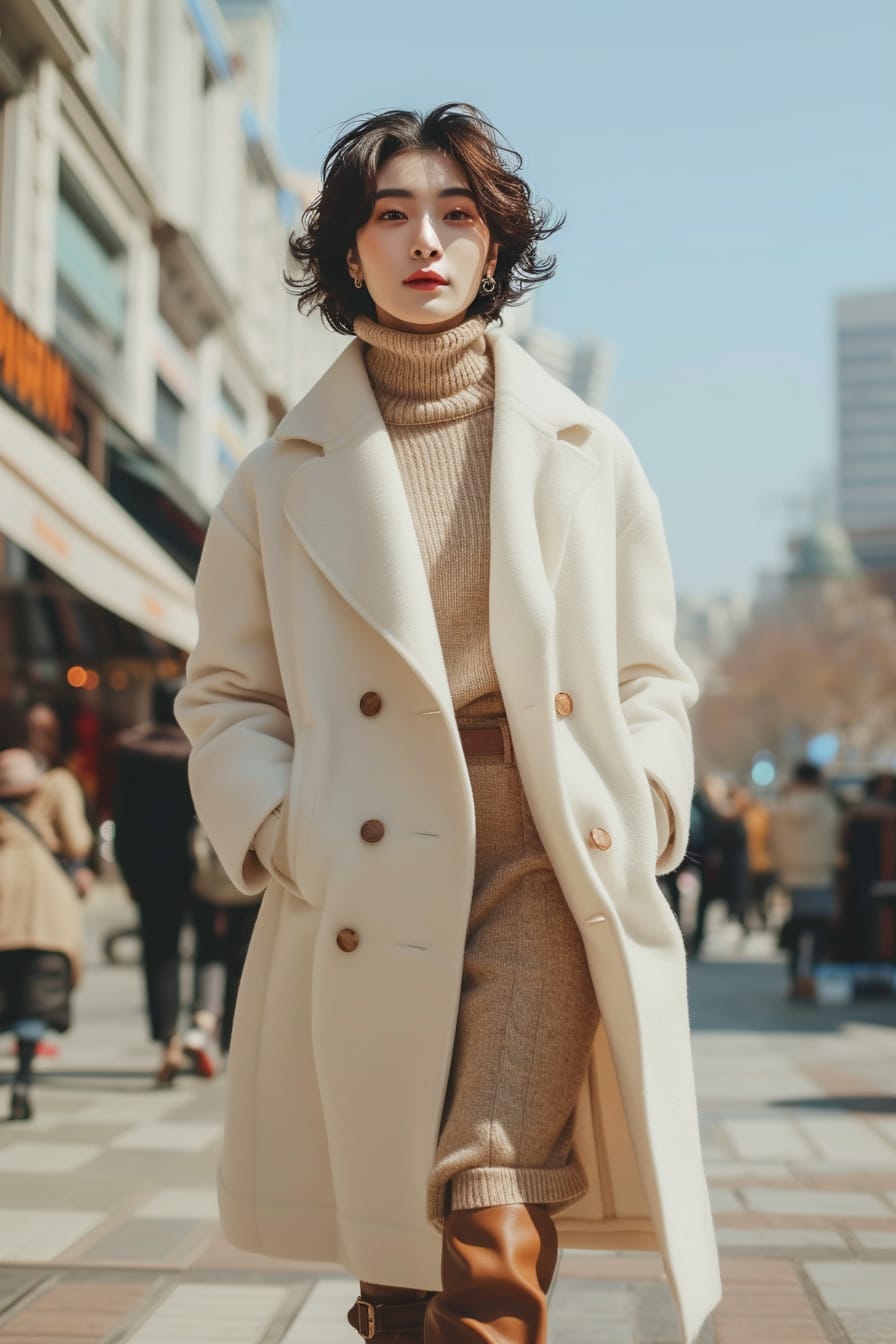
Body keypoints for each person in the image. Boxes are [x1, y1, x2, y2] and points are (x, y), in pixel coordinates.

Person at [175, 105, 720, 1344]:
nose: (426, 239)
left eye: (456, 214)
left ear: (493, 247)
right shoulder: (277, 474)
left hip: (544, 845)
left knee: (492, 1175)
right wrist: (284, 826)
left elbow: (648, 671)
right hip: (365, 856)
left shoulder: (587, 449)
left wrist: (640, 803)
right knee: (395, 1225)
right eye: (391, 214)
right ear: (348, 253)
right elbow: (225, 696)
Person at [113, 680, 226, 1083]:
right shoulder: (202, 752)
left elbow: (122, 817)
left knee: (159, 953)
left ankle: (169, 1043)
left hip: (151, 867)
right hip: (201, 866)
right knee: (210, 945)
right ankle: (202, 1022)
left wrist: (128, 872)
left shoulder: (132, 754)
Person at [0, 749, 84, 1120]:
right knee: (35, 1000)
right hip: (45, 911)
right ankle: (22, 1079)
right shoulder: (59, 786)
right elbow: (78, 841)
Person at [772, 761, 840, 1000]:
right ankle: (809, 977)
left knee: (795, 927)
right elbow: (836, 839)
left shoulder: (783, 806)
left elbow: (775, 841)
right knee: (818, 928)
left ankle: (794, 978)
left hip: (790, 874)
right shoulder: (828, 806)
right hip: (821, 874)